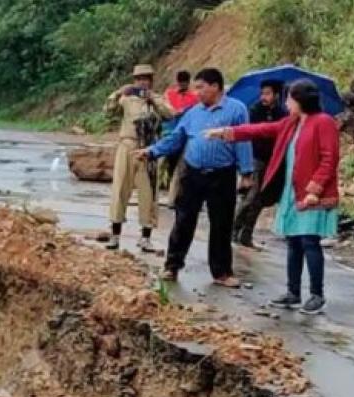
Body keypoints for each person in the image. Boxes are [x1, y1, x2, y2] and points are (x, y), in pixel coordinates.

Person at [204, 79, 341, 315]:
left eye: (289, 99)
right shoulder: (292, 123)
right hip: (292, 190)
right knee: (294, 242)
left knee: (309, 242)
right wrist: (227, 133)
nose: (286, 103)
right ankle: (293, 293)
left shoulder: (324, 122)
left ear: (300, 100)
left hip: (310, 193)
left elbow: (330, 158)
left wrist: (314, 189)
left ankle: (317, 295)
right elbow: (262, 129)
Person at [137, 68, 254, 287]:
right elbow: (176, 138)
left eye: (201, 87)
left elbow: (243, 140)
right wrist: (152, 151)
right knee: (183, 220)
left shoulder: (236, 110)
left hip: (222, 174)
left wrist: (246, 172)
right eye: (196, 88)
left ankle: (222, 273)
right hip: (192, 173)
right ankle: (172, 266)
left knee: (221, 224)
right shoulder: (193, 113)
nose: (197, 92)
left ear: (215, 86)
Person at [104, 64, 173, 253]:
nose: (143, 82)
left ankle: (145, 237)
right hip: (127, 145)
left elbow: (170, 114)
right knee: (120, 189)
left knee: (148, 193)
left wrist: (153, 100)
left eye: (146, 78)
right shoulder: (126, 98)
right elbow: (108, 111)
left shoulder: (157, 99)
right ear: (134, 80)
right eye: (139, 79)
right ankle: (115, 234)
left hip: (149, 149)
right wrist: (118, 93)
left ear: (151, 81)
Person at [233, 79, 287, 248]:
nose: (264, 97)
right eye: (262, 93)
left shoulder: (283, 113)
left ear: (277, 95)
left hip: (274, 161)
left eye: (268, 93)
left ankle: (246, 235)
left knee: (261, 199)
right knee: (251, 197)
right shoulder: (254, 110)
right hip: (256, 158)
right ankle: (234, 230)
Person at [161, 70, 199, 209]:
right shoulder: (169, 94)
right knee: (170, 166)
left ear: (188, 83)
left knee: (183, 167)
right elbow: (163, 109)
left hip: (186, 136)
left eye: (184, 83)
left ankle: (178, 197)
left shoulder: (194, 98)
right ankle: (173, 194)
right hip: (170, 134)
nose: (182, 85)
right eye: (180, 82)